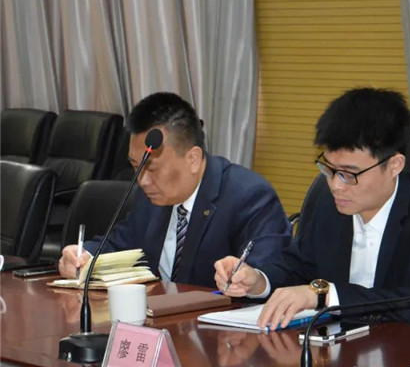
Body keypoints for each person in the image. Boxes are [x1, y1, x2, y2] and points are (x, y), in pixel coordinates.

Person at [215, 87, 410, 329]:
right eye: (328, 169)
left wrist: (326, 296)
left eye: (349, 174)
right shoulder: (326, 203)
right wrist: (258, 280)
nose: (335, 185)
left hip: (409, 353)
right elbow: (299, 267)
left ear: (394, 165)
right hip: (335, 347)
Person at [58, 92, 291, 288]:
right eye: (135, 166)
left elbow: (273, 272)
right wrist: (84, 256)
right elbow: (122, 243)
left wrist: (252, 279)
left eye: (152, 167)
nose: (142, 180)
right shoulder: (151, 195)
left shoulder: (248, 195)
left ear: (193, 159)